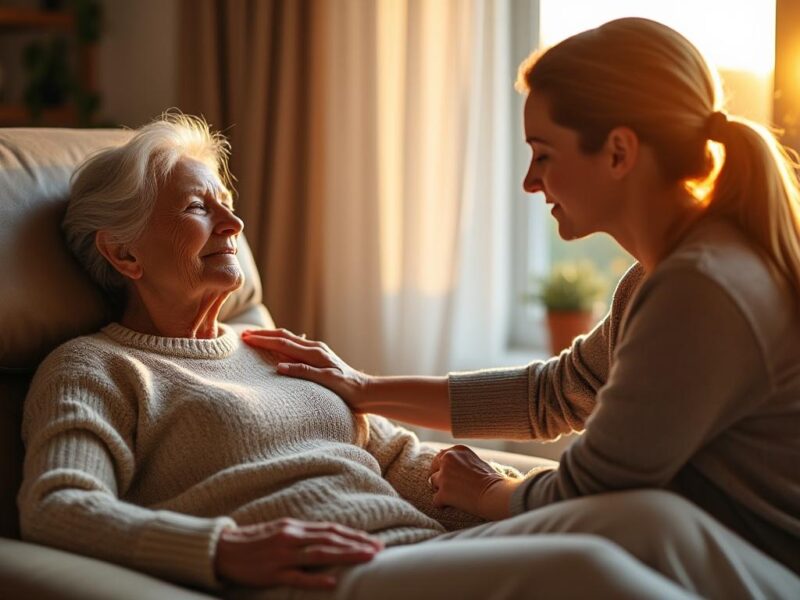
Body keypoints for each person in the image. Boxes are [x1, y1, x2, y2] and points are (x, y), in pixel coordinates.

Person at [18, 111, 794, 600]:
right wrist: (224, 549)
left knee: (648, 519)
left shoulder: (266, 347)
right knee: (584, 573)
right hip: (337, 575)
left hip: (428, 547)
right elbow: (56, 509)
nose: (233, 222)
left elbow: (392, 457)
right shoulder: (94, 368)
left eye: (226, 202)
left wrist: (512, 491)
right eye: (198, 207)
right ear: (122, 252)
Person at [241, 16, 800, 591]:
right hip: (716, 552)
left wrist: (488, 492)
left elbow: (595, 489)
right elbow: (552, 395)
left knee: (634, 525)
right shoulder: (664, 276)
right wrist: (365, 387)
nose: (531, 182)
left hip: (765, 574)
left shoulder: (702, 288)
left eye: (544, 154)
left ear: (618, 152)